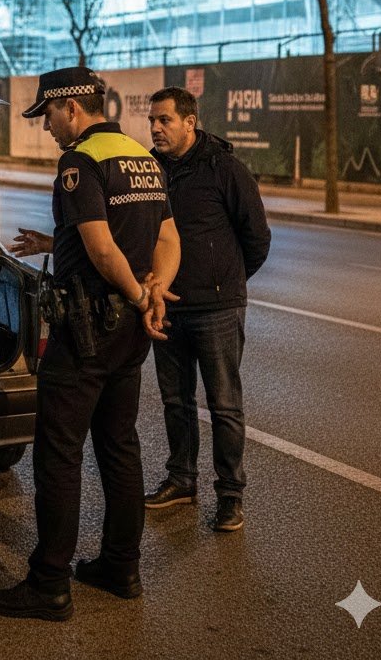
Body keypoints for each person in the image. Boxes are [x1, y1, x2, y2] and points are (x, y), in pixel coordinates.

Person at [0, 66, 180, 622]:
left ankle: (49, 583)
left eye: (47, 114)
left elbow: (101, 250)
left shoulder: (80, 162)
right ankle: (121, 566)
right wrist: (155, 290)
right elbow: (166, 237)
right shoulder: (141, 157)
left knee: (60, 452)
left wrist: (140, 297)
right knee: (119, 445)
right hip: (128, 333)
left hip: (89, 327)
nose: (46, 126)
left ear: (72, 107)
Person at [145, 86, 270, 533]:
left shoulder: (225, 169)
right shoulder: (151, 171)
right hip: (168, 306)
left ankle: (231, 496)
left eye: (164, 120)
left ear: (189, 122)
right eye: (152, 121)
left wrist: (227, 285)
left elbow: (257, 238)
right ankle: (181, 480)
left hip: (217, 309)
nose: (156, 128)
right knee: (175, 401)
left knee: (224, 406)